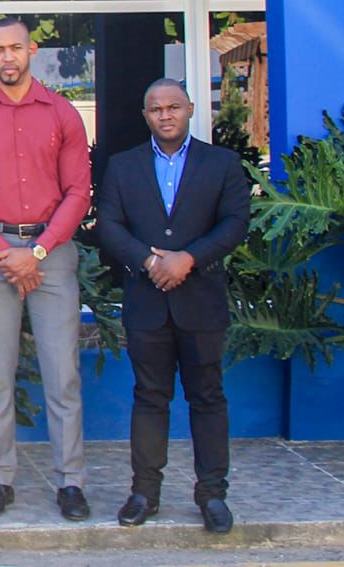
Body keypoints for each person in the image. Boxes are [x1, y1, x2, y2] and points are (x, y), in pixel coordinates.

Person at [0, 17, 93, 521]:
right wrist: (2, 251)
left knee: (62, 374)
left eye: (16, 48)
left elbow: (79, 192)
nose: (7, 57)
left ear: (32, 50)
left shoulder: (61, 113)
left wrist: (40, 251)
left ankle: (70, 481)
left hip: (52, 252)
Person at [94, 78, 250, 536]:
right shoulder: (123, 167)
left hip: (201, 301)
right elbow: (108, 224)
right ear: (145, 116)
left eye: (173, 107)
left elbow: (236, 222)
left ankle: (213, 495)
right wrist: (147, 260)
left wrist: (189, 258)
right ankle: (145, 492)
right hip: (146, 303)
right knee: (149, 398)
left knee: (207, 398)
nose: (165, 115)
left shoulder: (221, 163)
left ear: (190, 110)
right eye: (156, 109)